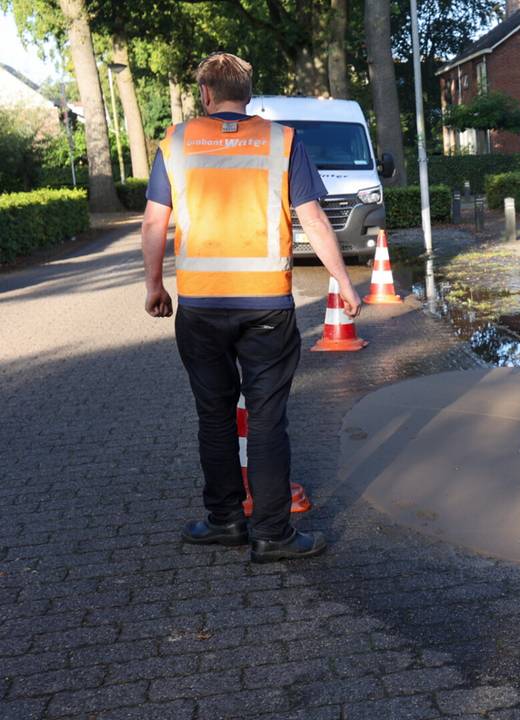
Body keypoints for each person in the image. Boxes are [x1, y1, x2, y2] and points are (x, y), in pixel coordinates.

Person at [140, 53, 361, 562]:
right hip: (266, 305)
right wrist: (343, 280)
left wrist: (155, 286)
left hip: (199, 306)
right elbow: (314, 219)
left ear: (206, 94)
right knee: (266, 419)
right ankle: (273, 534)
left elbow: (154, 224)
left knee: (214, 416)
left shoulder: (175, 142)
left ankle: (224, 521)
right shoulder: (281, 141)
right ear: (248, 92)